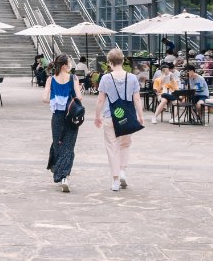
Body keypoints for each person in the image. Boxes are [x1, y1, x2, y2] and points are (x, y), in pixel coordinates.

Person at [94, 48, 144, 192]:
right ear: (123, 60)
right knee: (125, 145)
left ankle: (115, 180)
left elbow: (100, 99)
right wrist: (140, 116)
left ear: (110, 62)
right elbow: (136, 99)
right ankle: (122, 171)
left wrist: (97, 116)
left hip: (111, 116)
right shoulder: (132, 78)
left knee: (112, 147)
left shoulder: (105, 78)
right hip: (128, 117)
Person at [43, 54, 82, 193]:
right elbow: (79, 97)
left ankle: (61, 174)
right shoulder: (73, 78)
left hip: (57, 117)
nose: (71, 65)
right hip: (71, 117)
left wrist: (56, 98)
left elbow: (45, 99)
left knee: (58, 144)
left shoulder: (50, 79)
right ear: (65, 65)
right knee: (69, 146)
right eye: (69, 63)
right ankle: (64, 176)